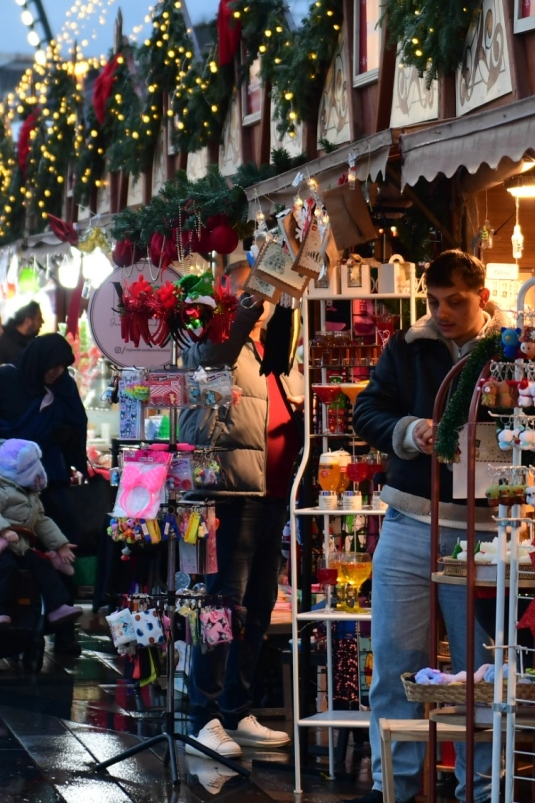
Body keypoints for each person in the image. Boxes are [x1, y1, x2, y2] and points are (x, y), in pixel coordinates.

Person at [349, 250, 500, 803]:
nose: (443, 312)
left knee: (482, 674)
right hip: (409, 522)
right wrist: (411, 430)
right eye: (434, 301)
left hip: (486, 533)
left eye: (455, 301)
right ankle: (394, 787)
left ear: (481, 296)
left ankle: (481, 791)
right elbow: (368, 410)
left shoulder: (510, 350)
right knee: (395, 664)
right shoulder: (407, 346)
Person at [181, 254, 302, 758]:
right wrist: (255, 304)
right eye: (250, 280)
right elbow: (211, 361)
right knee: (222, 602)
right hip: (233, 488)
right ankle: (202, 714)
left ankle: (236, 708)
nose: (263, 293)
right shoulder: (214, 335)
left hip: (274, 490)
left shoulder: (271, 343)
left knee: (255, 606)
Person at [0, 332, 88, 652]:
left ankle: (62, 626)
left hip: (49, 478)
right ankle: (2, 611)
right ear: (37, 360)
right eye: (52, 366)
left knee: (59, 543)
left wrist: (68, 436)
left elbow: (76, 421)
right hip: (6, 479)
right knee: (12, 553)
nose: (56, 372)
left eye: (62, 366)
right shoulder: (4, 380)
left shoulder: (63, 387)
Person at [0, 438, 81, 630]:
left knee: (42, 564)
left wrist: (59, 544)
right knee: (6, 567)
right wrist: (3, 529)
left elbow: (41, 521)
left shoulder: (30, 495)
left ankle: (57, 606)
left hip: (20, 546)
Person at [0, 302, 43, 368]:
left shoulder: (33, 342)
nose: (42, 322)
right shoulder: (2, 340)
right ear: (27, 321)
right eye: (39, 318)